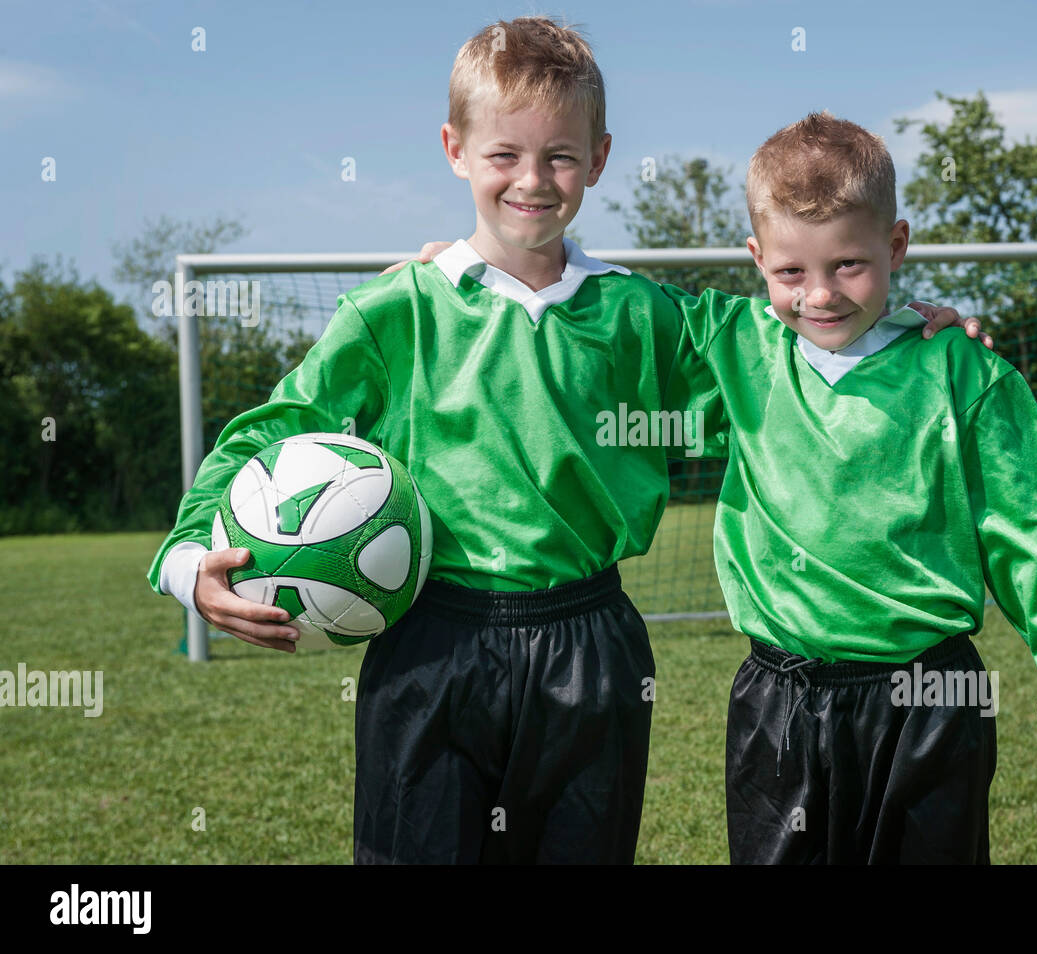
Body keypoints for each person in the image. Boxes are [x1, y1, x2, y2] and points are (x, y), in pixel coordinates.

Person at [147, 19, 984, 864]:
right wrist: (189, 559)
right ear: (454, 149)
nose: (533, 180)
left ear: (601, 157)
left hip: (592, 647)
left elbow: (792, 348)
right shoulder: (396, 311)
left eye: (560, 156)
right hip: (430, 642)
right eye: (504, 154)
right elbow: (277, 427)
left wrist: (907, 329)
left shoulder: (643, 315)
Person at [669, 111, 1037, 863]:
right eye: (790, 272)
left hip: (932, 700)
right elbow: (599, 325)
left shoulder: (962, 372)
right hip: (778, 702)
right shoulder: (732, 350)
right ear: (756, 259)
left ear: (897, 245)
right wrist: (480, 265)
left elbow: (1035, 531)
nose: (820, 295)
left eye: (849, 264)